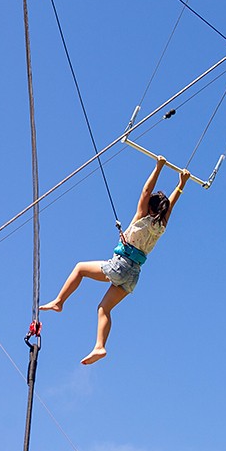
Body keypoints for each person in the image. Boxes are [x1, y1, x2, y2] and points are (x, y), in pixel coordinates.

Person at [40, 156, 189, 364]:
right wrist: (181, 184)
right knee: (104, 308)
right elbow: (170, 206)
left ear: (150, 208)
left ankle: (59, 302)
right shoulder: (160, 227)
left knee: (80, 268)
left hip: (121, 265)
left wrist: (158, 167)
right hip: (134, 276)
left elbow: (146, 191)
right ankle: (100, 346)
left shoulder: (142, 217)